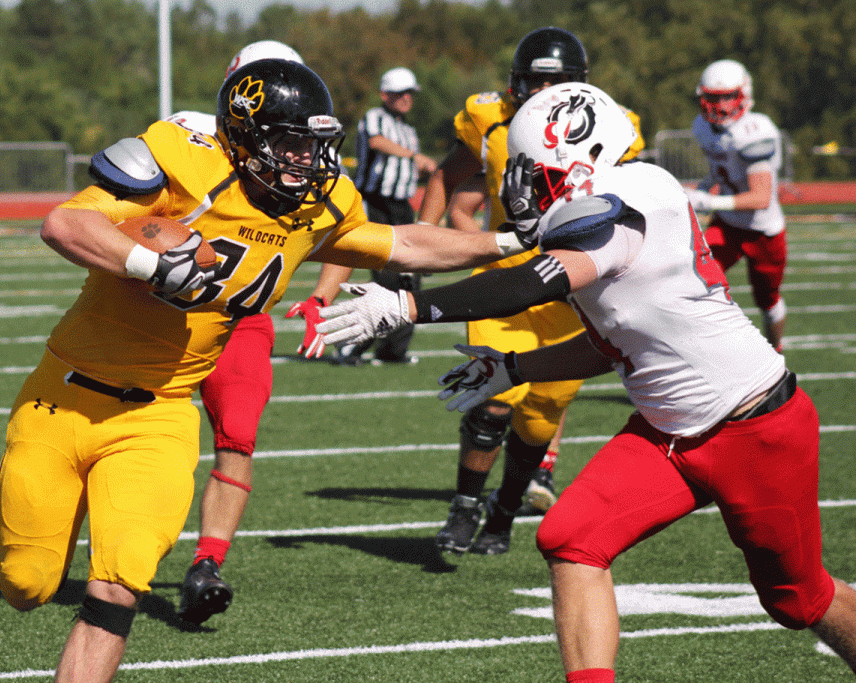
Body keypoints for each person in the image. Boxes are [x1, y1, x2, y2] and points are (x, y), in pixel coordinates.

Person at [0, 59, 527, 683]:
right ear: (244, 135)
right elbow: (65, 223)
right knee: (26, 584)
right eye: (291, 144)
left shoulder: (318, 204)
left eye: (315, 145)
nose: (307, 161)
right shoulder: (184, 161)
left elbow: (403, 242)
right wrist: (148, 260)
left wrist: (509, 242)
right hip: (61, 400)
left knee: (117, 587)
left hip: (160, 414)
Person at [316, 82, 856, 682]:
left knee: (798, 601)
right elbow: (612, 343)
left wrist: (411, 309)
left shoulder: (625, 198)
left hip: (752, 428)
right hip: (669, 433)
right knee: (573, 539)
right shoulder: (615, 201)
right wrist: (511, 367)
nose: (526, 188)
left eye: (538, 173)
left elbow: (528, 283)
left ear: (585, 156)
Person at [414, 27, 644, 556]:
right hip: (505, 280)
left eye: (555, 82)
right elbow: (447, 179)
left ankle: (504, 510)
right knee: (493, 397)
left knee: (540, 415)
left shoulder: (614, 126)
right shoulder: (489, 121)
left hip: (572, 288)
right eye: (533, 82)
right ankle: (464, 506)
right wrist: (423, 251)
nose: (542, 93)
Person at [167, 40, 354, 625]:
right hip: (167, 316)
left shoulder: (306, 154)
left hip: (243, 316)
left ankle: (206, 565)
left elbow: (351, 228)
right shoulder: (186, 136)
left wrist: (322, 293)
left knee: (237, 434)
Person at [336, 67, 437, 365]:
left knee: (410, 281)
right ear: (385, 95)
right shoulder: (374, 118)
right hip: (376, 205)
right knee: (387, 283)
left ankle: (394, 350)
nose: (406, 98)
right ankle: (349, 347)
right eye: (399, 93)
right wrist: (413, 157)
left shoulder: (408, 130)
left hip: (402, 207)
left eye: (409, 93)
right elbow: (376, 142)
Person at [686, 59, 788, 351]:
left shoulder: (756, 130)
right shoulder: (703, 128)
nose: (720, 105)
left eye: (728, 96)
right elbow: (722, 171)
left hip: (762, 230)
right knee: (695, 279)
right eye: (713, 97)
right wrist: (701, 189)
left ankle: (776, 350)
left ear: (744, 94)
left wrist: (708, 199)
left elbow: (760, 198)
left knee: (767, 302)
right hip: (728, 225)